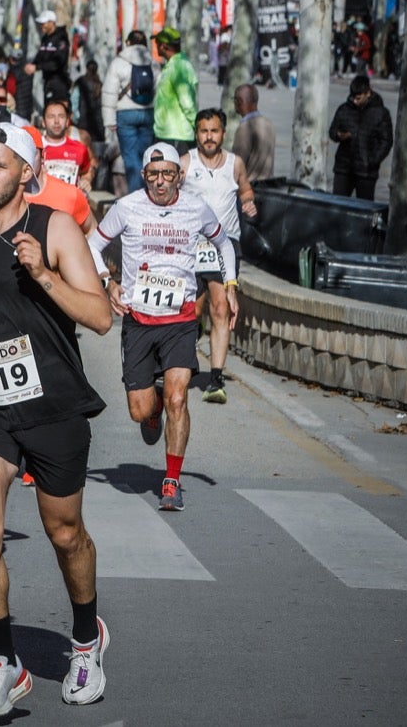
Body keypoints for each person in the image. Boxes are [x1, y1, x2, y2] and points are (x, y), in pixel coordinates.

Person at [0, 123, 114, 718]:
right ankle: (4, 662)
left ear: (27, 173)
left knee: (65, 533)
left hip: (52, 401)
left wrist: (45, 276)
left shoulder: (53, 227)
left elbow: (102, 317)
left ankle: (86, 639)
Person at [90, 143, 236, 512]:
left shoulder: (195, 208)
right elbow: (92, 245)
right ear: (144, 177)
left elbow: (224, 244)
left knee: (178, 398)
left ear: (179, 176)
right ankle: (151, 407)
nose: (160, 182)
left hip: (181, 319)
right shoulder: (127, 207)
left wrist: (230, 285)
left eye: (167, 174)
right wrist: (108, 281)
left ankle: (171, 480)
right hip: (138, 319)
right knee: (140, 411)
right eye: (153, 175)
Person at [180, 111, 258, 404]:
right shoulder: (186, 163)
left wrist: (248, 203)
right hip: (191, 245)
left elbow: (246, 189)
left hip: (225, 246)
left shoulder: (235, 163)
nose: (209, 136)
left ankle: (215, 379)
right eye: (203, 131)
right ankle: (192, 338)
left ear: (223, 133)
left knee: (221, 308)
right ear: (196, 134)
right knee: (192, 309)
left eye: (214, 131)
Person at [102, 29, 158, 193]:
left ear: (128, 42)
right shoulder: (152, 62)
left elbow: (109, 92)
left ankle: (136, 194)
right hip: (148, 113)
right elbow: (159, 88)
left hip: (125, 114)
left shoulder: (119, 62)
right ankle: (146, 193)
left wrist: (109, 120)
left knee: (130, 157)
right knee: (144, 156)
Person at [329, 75, 393, 199]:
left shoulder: (381, 113)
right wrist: (338, 135)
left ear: (368, 93)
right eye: (353, 98)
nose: (355, 101)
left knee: (367, 209)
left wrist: (372, 160)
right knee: (337, 204)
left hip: (366, 172)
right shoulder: (344, 109)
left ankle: (372, 220)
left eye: (358, 98)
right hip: (343, 168)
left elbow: (386, 141)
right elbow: (332, 131)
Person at [151, 28, 198, 154]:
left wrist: (198, 125)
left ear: (164, 46)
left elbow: (187, 101)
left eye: (157, 44)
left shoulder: (179, 66)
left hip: (177, 135)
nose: (156, 48)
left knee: (176, 173)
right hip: (167, 133)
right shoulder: (173, 64)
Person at [34, 97, 93, 191]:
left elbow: (87, 171)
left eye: (61, 116)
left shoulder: (80, 149)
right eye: (51, 117)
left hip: (70, 203)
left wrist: (86, 180)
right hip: (42, 202)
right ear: (43, 122)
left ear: (67, 122)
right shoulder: (35, 149)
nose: (56, 121)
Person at [231, 84, 276, 183]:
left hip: (250, 187)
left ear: (239, 102)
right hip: (267, 185)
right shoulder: (268, 124)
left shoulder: (244, 128)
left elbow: (238, 165)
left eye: (234, 100)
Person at [28, 11, 71, 103]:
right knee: (48, 110)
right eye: (41, 23)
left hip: (59, 81)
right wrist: (32, 65)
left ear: (52, 23)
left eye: (44, 23)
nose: (42, 26)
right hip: (47, 81)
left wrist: (37, 67)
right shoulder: (45, 39)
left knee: (60, 109)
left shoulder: (61, 39)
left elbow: (57, 63)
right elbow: (40, 56)